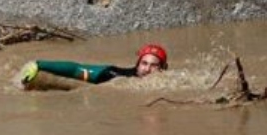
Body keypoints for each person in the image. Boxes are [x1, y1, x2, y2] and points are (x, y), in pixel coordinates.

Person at [18, 43, 168, 88]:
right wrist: (39, 65)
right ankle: (39, 66)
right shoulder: (112, 75)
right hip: (108, 75)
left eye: (154, 65)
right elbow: (76, 69)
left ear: (162, 68)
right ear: (137, 64)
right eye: (144, 63)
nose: (147, 69)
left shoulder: (168, 81)